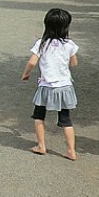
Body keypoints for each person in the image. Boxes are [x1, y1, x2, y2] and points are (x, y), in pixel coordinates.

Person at [21, 8, 79, 161]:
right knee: (66, 119)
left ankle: (41, 146)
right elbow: (74, 63)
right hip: (65, 86)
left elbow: (32, 62)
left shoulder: (41, 44)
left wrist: (25, 74)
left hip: (46, 86)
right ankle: (71, 151)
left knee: (39, 116)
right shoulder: (69, 44)